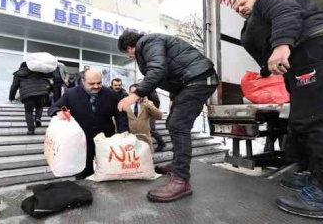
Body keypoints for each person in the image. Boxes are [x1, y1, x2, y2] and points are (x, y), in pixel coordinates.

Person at [232, 0, 323, 218]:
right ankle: (322, 178)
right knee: (304, 121)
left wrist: (282, 44)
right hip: (304, 58)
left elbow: (287, 10)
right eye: (236, 9)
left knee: (322, 121)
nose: (240, 8)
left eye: (242, 2)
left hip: (314, 49)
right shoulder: (258, 19)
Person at [117, 31, 219, 203]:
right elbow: (172, 73)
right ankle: (177, 165)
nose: (129, 56)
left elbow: (157, 70)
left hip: (198, 80)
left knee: (178, 126)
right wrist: (175, 98)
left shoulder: (148, 42)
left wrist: (135, 95)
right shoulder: (151, 43)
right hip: (192, 82)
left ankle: (181, 180)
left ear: (129, 47)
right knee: (173, 123)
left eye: (127, 53)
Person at [48, 69, 129, 180]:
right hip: (82, 143)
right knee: (83, 174)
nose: (96, 86)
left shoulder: (112, 94)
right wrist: (58, 112)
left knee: (109, 171)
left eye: (99, 83)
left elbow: (121, 114)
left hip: (106, 141)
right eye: (91, 84)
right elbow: (53, 107)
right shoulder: (71, 94)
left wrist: (123, 131)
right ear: (83, 81)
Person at [10, 62, 52, 135]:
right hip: (40, 93)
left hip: (27, 95)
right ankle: (38, 118)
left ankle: (31, 130)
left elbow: (14, 86)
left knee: (29, 112)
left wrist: (11, 97)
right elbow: (49, 76)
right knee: (39, 107)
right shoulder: (38, 71)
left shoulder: (18, 74)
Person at [124, 84, 163, 152]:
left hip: (144, 142)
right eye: (132, 93)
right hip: (129, 142)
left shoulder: (147, 103)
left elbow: (159, 116)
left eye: (137, 92)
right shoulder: (124, 104)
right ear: (129, 93)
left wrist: (147, 103)